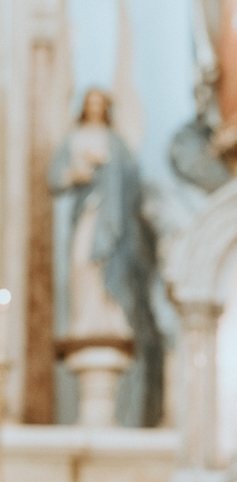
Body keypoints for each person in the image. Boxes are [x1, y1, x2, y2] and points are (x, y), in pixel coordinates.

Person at [49, 87, 165, 427]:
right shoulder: (73, 138)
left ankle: (107, 319)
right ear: (83, 108)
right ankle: (86, 319)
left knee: (108, 268)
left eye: (101, 105)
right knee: (84, 263)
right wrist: (79, 172)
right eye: (91, 104)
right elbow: (55, 178)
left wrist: (112, 171)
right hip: (88, 212)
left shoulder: (116, 143)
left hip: (114, 226)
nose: (96, 109)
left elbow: (133, 181)